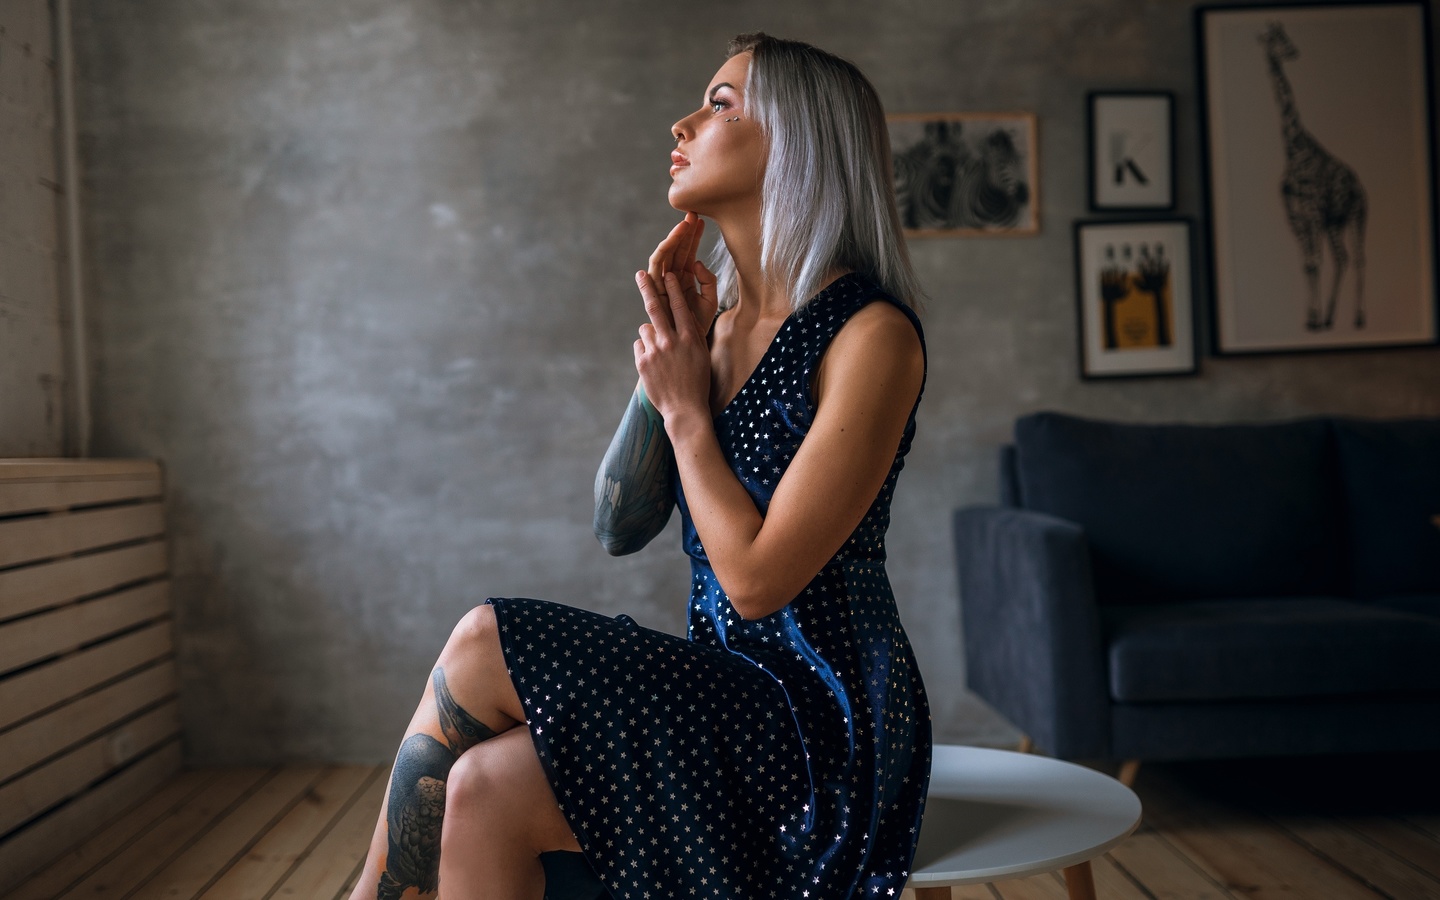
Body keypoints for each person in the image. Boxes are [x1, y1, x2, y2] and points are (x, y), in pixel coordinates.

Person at [348, 32, 931, 900]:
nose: (685, 120)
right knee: (479, 789)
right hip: (722, 696)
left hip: (817, 737)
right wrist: (671, 349)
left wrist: (689, 411)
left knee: (482, 637)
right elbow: (619, 527)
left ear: (800, 144)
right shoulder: (719, 326)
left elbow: (758, 585)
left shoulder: (870, 336)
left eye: (723, 104)